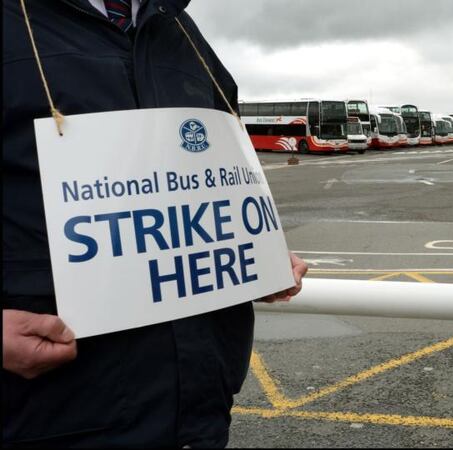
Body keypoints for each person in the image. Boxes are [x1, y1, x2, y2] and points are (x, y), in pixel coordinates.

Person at [2, 0, 307, 446]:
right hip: (51, 413)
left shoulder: (177, 25)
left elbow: (204, 175)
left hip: (199, 410)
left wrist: (255, 256)